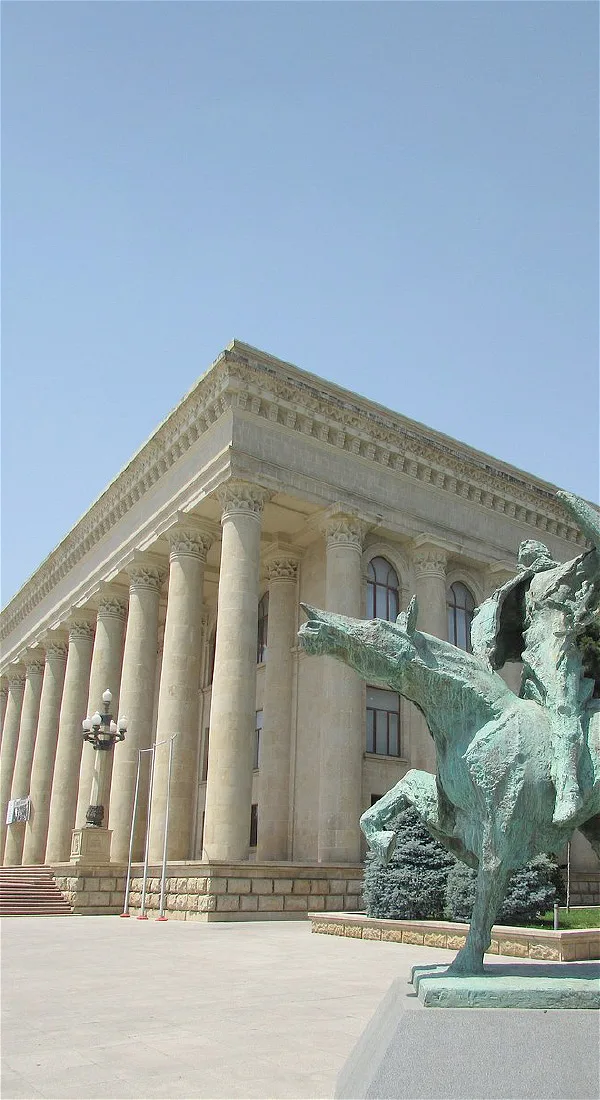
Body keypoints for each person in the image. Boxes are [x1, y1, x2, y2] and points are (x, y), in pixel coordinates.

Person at [472, 502, 600, 826]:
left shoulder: (564, 576)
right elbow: (495, 623)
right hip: (532, 660)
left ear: (543, 555)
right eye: (522, 553)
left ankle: (569, 786)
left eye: (531, 549)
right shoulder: (519, 589)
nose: (525, 552)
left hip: (559, 653)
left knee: (563, 710)